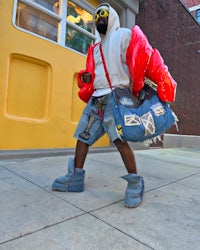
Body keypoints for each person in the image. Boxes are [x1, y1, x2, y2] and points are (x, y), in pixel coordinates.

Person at [52, 3, 177, 208]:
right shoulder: (94, 48)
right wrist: (86, 78)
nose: (100, 19)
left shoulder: (124, 36)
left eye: (104, 15)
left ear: (112, 17)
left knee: (119, 141)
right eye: (97, 16)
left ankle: (135, 182)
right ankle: (75, 178)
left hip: (116, 99)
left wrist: (160, 83)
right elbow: (92, 75)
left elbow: (144, 56)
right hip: (96, 100)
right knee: (83, 137)